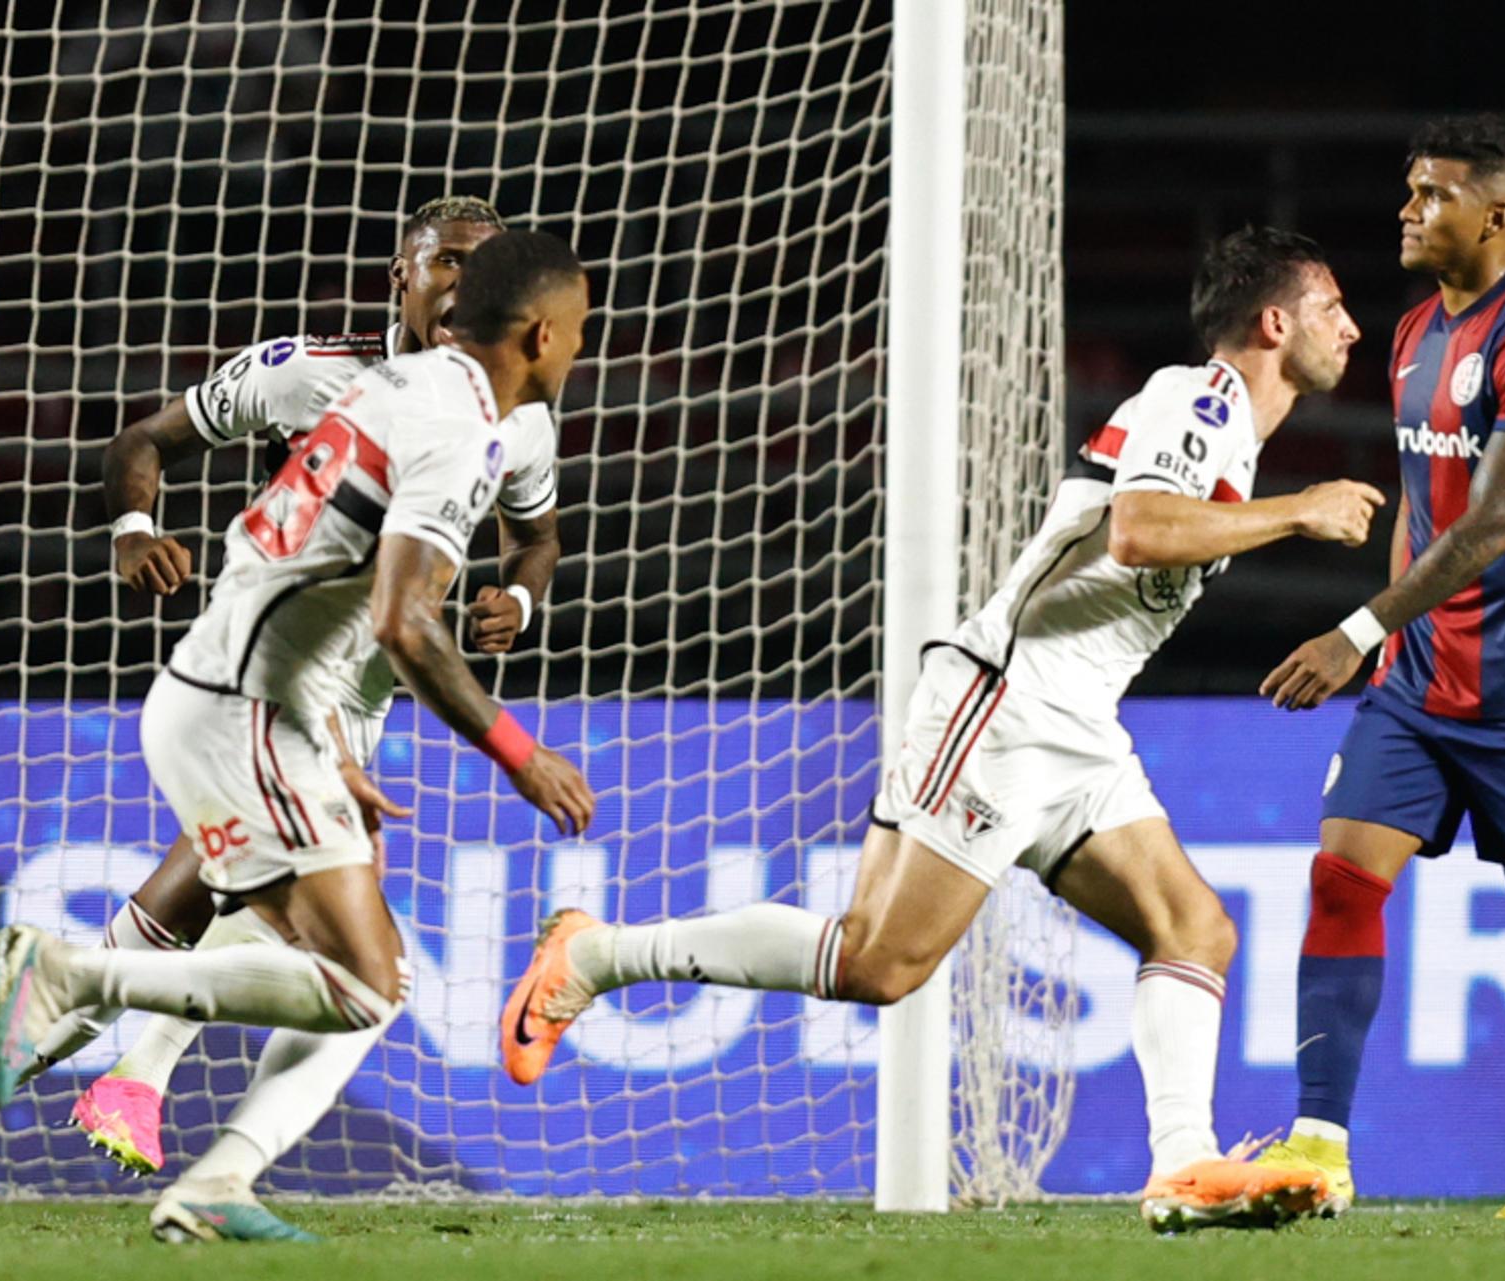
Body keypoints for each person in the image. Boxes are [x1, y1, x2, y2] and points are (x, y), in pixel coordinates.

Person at [502, 227, 1381, 1231]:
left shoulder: (1230, 429)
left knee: (1195, 928)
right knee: (881, 963)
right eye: (1329, 308)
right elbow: (1140, 530)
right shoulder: (1201, 400)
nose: (1350, 328)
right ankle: (598, 958)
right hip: (1008, 703)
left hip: (1076, 722)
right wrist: (1296, 511)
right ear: (1275, 323)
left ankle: (1184, 1164)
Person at [0, 197, 558, 1226]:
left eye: (483, 267)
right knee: (349, 972)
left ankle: (4, 1091)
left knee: (246, 938)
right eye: (446, 264)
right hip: (267, 689)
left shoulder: (507, 417)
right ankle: (140, 1094)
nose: (461, 285)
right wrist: (133, 525)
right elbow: (156, 442)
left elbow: (532, 537)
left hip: (315, 700)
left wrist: (515, 594)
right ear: (403, 276)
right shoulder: (319, 376)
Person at [1255, 116, 1505, 1222]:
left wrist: (1354, 632)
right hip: (1416, 685)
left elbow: (1495, 523)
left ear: (1497, 216)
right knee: (1340, 876)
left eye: (1434, 195)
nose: (1409, 209)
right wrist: (1394, 654)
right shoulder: (1414, 331)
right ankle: (1319, 1147)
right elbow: (1426, 512)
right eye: (1409, 191)